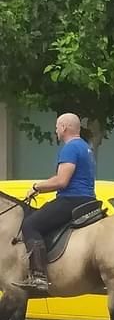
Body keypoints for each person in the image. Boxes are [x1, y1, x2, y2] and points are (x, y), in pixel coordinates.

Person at [17, 113, 97, 294]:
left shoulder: (70, 148)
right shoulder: (85, 147)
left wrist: (37, 187)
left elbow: (62, 181)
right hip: (88, 199)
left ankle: (38, 275)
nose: (55, 130)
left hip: (71, 199)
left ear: (64, 127)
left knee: (30, 224)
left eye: (56, 126)